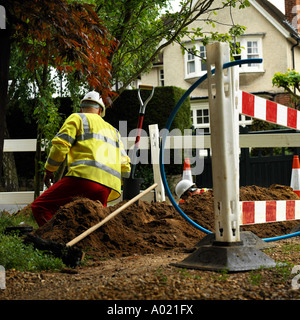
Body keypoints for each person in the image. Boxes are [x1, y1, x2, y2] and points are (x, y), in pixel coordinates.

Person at [31, 91, 131, 227]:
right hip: (106, 187)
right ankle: (85, 246)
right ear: (100, 110)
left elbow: (60, 146)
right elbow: (125, 165)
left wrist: (49, 170)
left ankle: (54, 239)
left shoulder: (77, 118)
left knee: (40, 206)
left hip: (83, 178)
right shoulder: (114, 131)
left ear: (81, 108)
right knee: (93, 220)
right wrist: (124, 184)